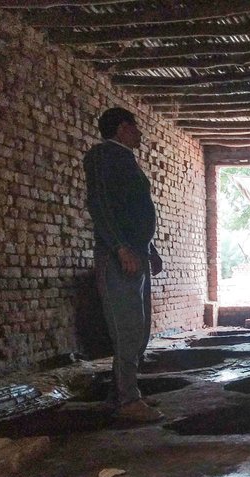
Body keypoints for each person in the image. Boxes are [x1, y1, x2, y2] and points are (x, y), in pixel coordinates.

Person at [84, 107, 164, 423]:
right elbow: (100, 204)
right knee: (127, 327)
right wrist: (119, 247)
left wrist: (150, 248)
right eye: (136, 126)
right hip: (120, 256)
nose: (140, 133)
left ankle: (121, 393)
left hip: (136, 252)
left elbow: (134, 211)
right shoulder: (102, 156)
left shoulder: (124, 159)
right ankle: (127, 400)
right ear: (121, 129)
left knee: (140, 329)